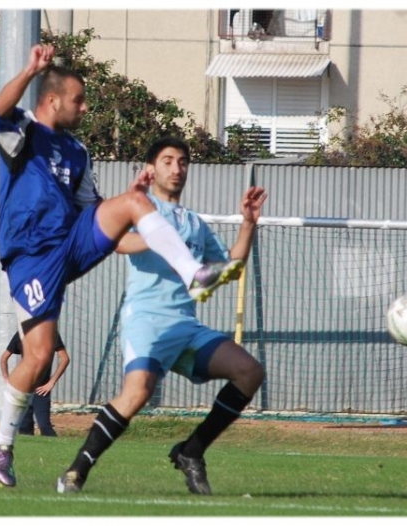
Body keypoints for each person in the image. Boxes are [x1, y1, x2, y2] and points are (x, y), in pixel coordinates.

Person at [0, 44, 243, 488]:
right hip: (31, 257)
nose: (85, 107)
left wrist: (133, 208)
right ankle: (2, 445)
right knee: (39, 356)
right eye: (79, 100)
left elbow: (99, 216)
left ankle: (192, 273)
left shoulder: (78, 152)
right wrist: (30, 70)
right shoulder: (23, 130)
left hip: (70, 243)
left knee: (134, 201)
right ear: (53, 100)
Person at [57, 137, 267, 496]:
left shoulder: (195, 223)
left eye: (182, 161)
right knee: (137, 392)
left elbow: (230, 267)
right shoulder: (141, 207)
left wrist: (248, 223)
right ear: (151, 169)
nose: (176, 168)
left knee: (249, 371)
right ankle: (76, 472)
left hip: (185, 326)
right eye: (167, 161)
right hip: (146, 320)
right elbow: (119, 243)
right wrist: (159, 236)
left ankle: (191, 451)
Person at [0, 331, 69, 437]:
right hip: (24, 389)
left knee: (44, 426)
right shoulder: (21, 333)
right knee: (24, 428)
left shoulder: (49, 333)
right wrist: (7, 379)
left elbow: (65, 358)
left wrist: (51, 382)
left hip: (41, 390)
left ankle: (53, 444)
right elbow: (4, 358)